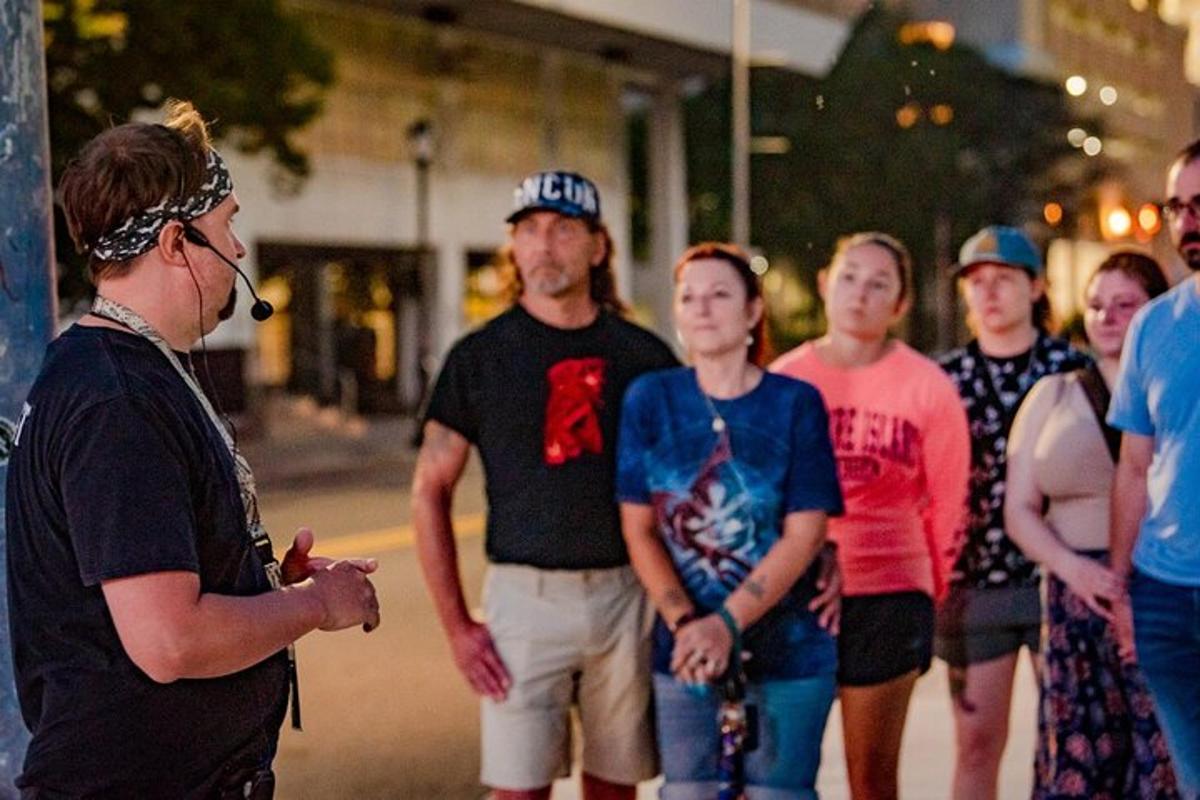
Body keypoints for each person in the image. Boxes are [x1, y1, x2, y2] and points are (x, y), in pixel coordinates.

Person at [4, 101, 381, 799]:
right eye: (227, 223)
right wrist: (317, 604)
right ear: (177, 241)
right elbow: (169, 640)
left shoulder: (118, 370)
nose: (238, 249)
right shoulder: (116, 399)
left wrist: (257, 583)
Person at [411, 170, 677, 800]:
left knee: (615, 787)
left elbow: (688, 489)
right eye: (528, 230)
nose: (544, 245)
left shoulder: (646, 357)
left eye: (563, 229)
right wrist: (457, 627)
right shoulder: (478, 357)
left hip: (627, 596)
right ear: (513, 248)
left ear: (598, 246)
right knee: (517, 791)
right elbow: (429, 491)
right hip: (522, 602)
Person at [616, 242, 843, 800]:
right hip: (684, 645)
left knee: (779, 794)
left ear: (752, 310)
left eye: (720, 294)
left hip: (790, 644)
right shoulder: (650, 398)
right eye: (688, 297)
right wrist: (687, 624)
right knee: (689, 790)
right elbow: (639, 527)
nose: (702, 308)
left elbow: (807, 530)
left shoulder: (795, 403)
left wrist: (727, 623)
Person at [771, 232, 970, 800]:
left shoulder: (927, 387)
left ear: (900, 304)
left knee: (872, 775)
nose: (860, 293)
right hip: (797, 593)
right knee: (781, 775)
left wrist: (929, 591)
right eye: (849, 276)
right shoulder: (787, 380)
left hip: (888, 592)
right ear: (824, 284)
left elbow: (949, 501)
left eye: (879, 283)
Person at [1005, 251, 1178, 799]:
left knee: (1162, 758)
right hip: (1073, 596)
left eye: (1125, 305)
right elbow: (1019, 509)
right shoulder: (1051, 395)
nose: (1107, 317)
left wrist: (1129, 582)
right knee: (1079, 758)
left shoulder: (1175, 390)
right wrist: (1073, 570)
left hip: (1156, 592)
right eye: (1097, 305)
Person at [935, 225, 1090, 799]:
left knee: (1071, 740)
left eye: (1003, 279)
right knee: (976, 741)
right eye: (976, 282)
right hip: (977, 582)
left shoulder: (1072, 371)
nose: (989, 293)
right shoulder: (946, 378)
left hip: (1063, 572)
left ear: (1036, 287)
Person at [1109, 140, 1200, 799]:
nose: (1188, 223)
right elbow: (1134, 467)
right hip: (1164, 592)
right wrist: (1122, 590)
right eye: (1178, 207)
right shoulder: (1152, 326)